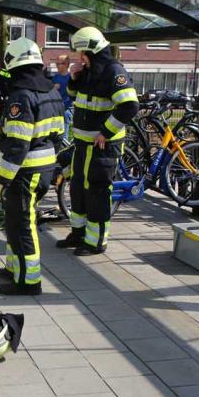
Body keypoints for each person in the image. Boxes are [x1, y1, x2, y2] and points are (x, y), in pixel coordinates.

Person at [55, 26, 139, 255]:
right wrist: (74, 77)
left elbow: (130, 106)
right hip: (83, 144)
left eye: (80, 52)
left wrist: (106, 132)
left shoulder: (113, 71)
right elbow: (75, 96)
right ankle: (79, 234)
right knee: (78, 189)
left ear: (90, 51)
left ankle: (96, 242)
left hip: (102, 147)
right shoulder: (91, 71)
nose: (78, 57)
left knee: (97, 193)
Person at [0, 37, 65, 296]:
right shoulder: (52, 91)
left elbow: (17, 145)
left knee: (23, 225)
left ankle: (28, 281)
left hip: (24, 172)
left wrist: (2, 180)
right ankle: (14, 269)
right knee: (15, 221)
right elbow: (58, 135)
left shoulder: (21, 96)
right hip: (44, 169)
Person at [51, 55, 74, 140]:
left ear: (66, 65)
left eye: (59, 64)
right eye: (56, 63)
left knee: (64, 135)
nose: (57, 65)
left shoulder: (70, 78)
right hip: (56, 109)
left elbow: (72, 95)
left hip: (66, 109)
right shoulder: (55, 77)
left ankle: (65, 151)